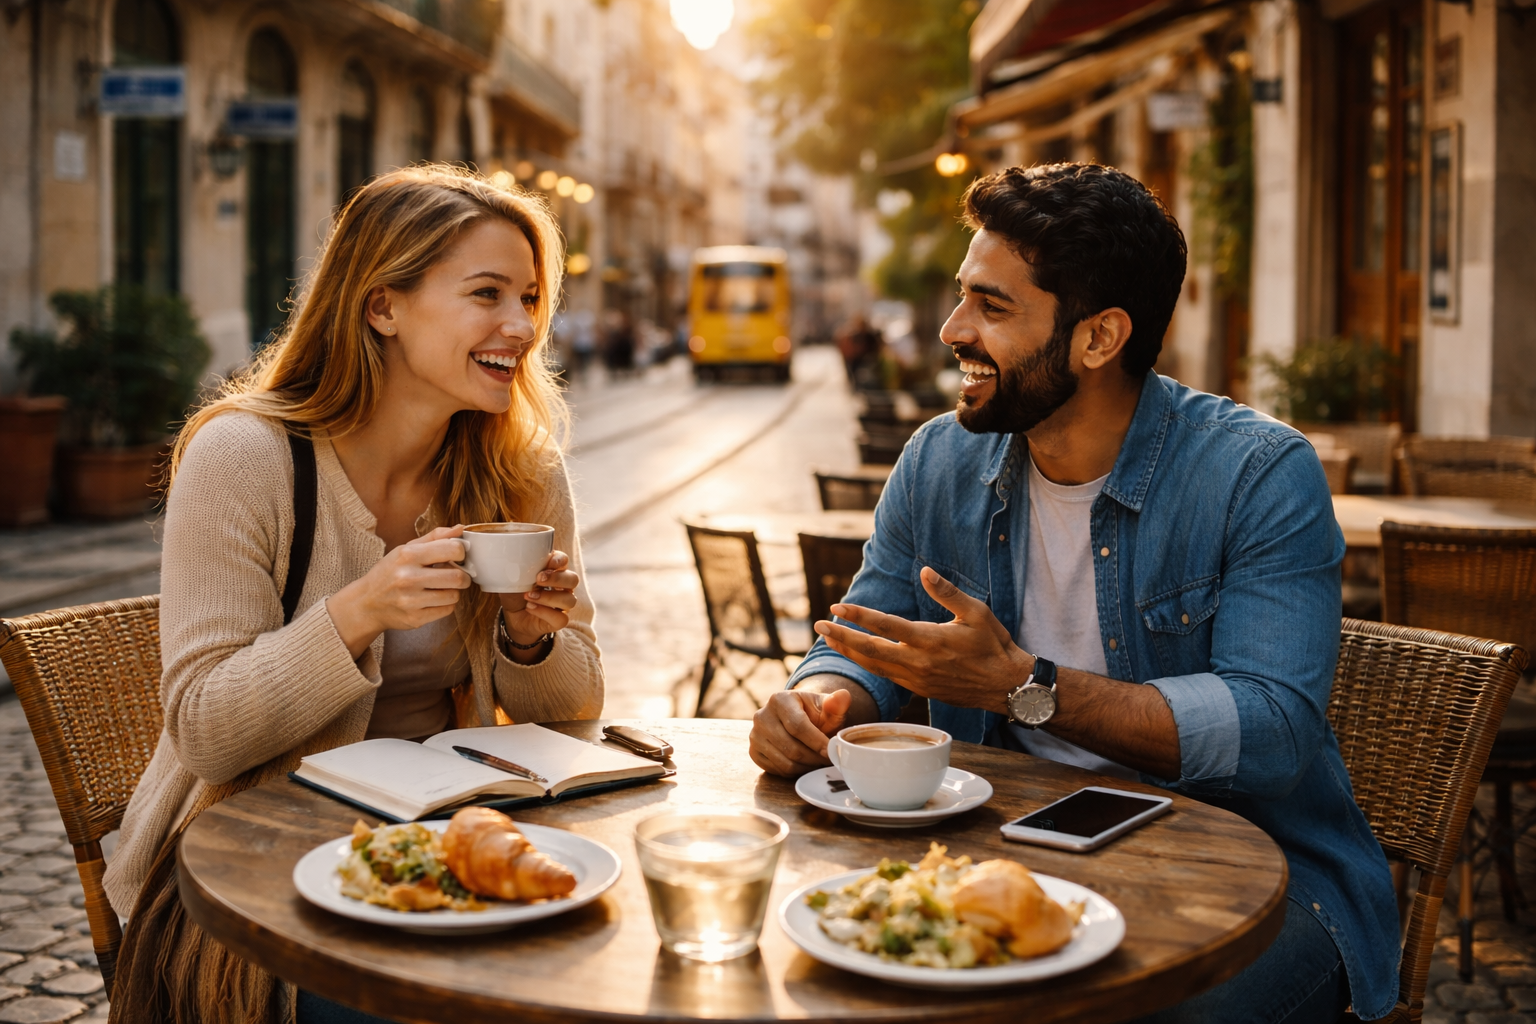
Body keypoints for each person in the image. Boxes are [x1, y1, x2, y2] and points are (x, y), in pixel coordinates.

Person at [748, 163, 1399, 1023]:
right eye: (961, 297)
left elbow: (1272, 729)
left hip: (1260, 883)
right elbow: (861, 640)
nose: (952, 329)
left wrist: (1026, 690)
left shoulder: (1257, 473)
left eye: (993, 306)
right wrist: (815, 700)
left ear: (1099, 339)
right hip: (1006, 858)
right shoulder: (939, 460)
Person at [105, 165, 604, 1024]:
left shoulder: (520, 472)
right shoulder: (244, 459)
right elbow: (205, 732)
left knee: (587, 971)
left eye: (529, 297)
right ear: (383, 307)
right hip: (243, 866)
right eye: (486, 293)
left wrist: (529, 639)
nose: (521, 326)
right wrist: (358, 612)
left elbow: (580, 701)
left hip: (443, 844)